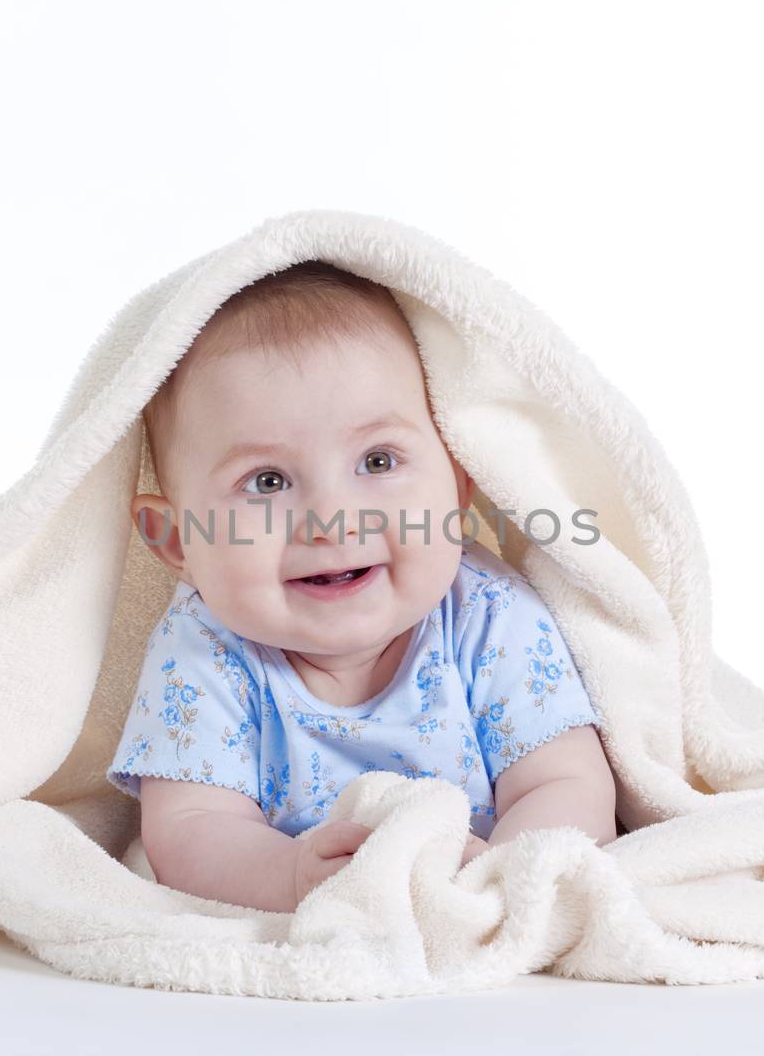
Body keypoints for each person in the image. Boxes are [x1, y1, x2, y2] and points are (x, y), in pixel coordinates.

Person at [104, 260, 617, 913]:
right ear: (177, 540)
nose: (331, 519)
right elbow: (190, 828)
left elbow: (567, 781)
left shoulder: (487, 614)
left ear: (459, 487)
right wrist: (286, 874)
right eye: (267, 481)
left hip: (477, 876)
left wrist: (498, 876)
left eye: (377, 461)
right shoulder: (203, 648)